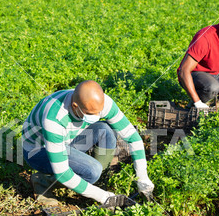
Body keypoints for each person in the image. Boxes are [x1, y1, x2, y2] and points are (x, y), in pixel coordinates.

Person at [21, 80, 154, 206]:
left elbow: (133, 138)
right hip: (38, 151)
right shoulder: (54, 119)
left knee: (105, 131)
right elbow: (63, 173)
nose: (96, 116)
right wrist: (102, 197)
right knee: (92, 171)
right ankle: (43, 181)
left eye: (98, 113)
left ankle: (90, 182)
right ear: (75, 106)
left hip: (67, 140)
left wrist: (142, 177)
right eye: (90, 114)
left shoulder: (101, 102)